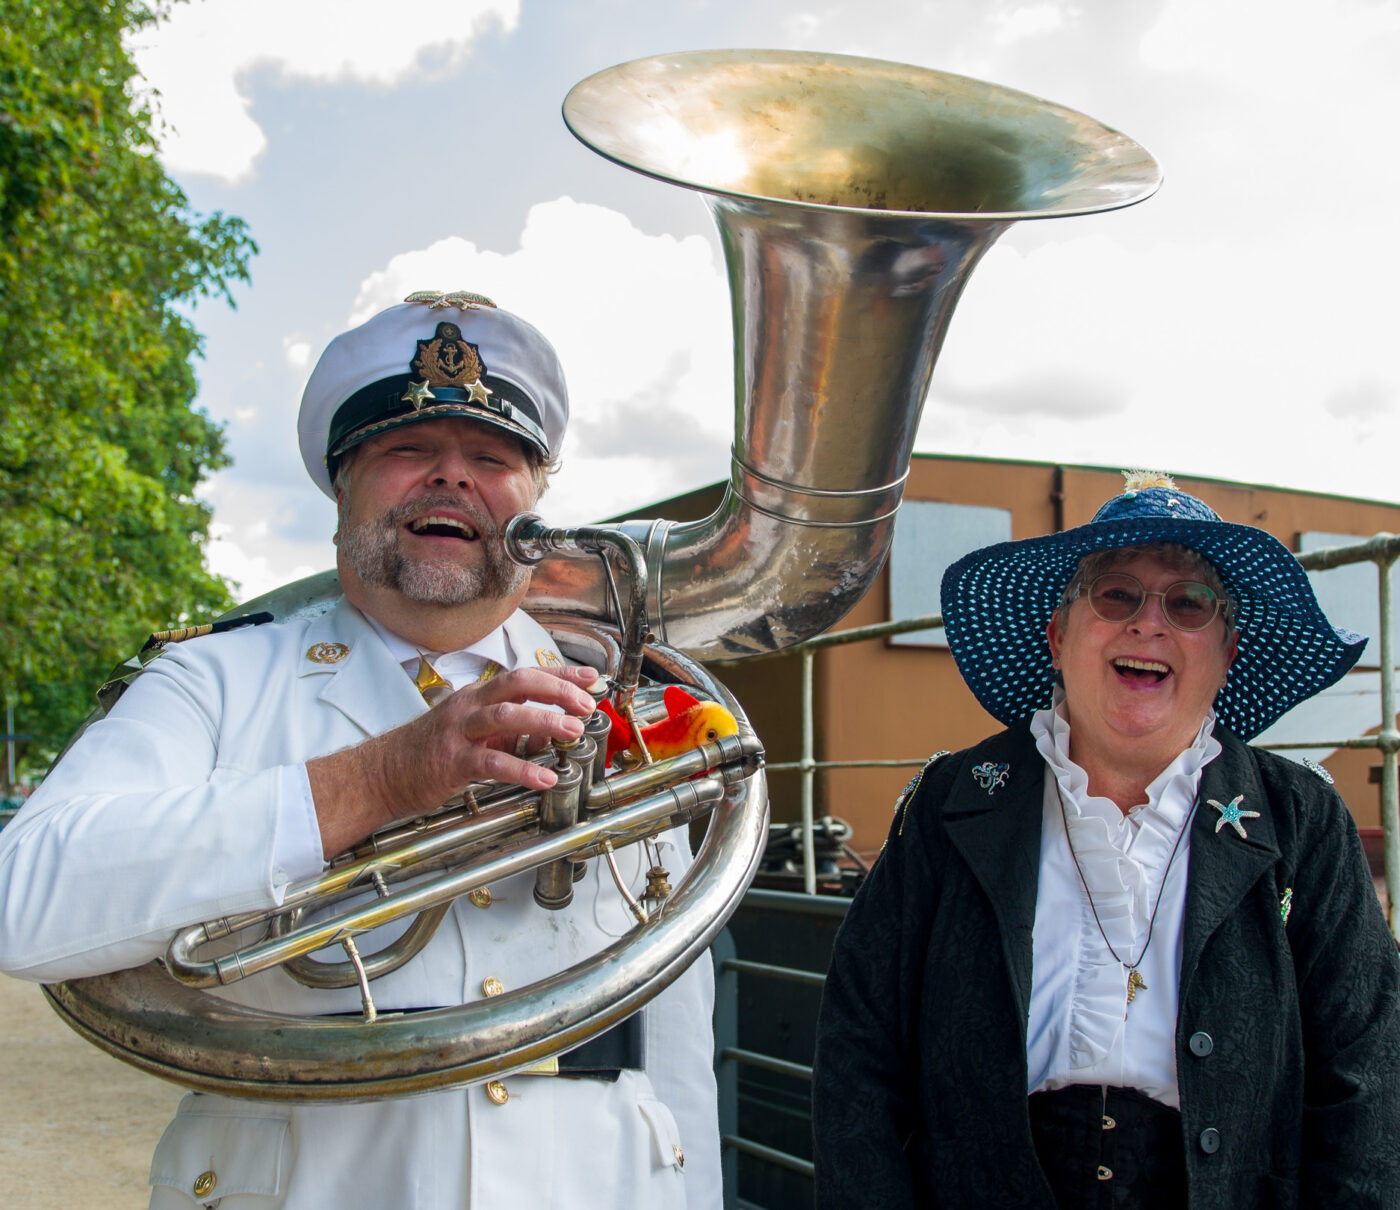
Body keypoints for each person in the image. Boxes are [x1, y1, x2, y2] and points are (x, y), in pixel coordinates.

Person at [0, 293, 720, 1209]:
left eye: (493, 458)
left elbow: (675, 1039)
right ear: (342, 490)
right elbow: (22, 900)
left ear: (536, 508)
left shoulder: (631, 707)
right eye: (407, 450)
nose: (452, 478)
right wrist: (381, 779)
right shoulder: (214, 681)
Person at [813, 471, 1400, 1208]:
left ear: (1226, 652)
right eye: (1116, 594)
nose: (1149, 623)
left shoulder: (1302, 820)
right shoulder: (950, 804)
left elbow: (1366, 1079)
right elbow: (859, 1056)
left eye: (1188, 603)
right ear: (1059, 637)